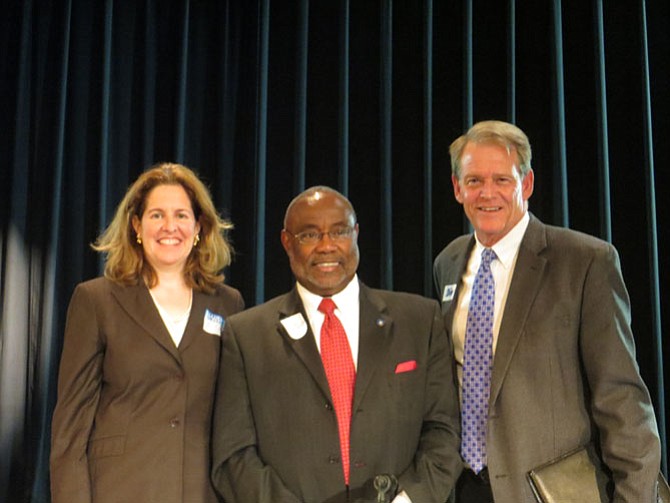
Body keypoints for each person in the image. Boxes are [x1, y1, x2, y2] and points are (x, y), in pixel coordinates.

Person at [433, 120, 661, 502]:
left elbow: (621, 399)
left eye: (502, 180)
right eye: (474, 181)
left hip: (550, 492)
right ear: (458, 189)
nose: (487, 193)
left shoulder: (586, 261)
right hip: (467, 488)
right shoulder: (448, 262)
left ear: (527, 184)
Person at [211, 186, 462, 503]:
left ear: (356, 234)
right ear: (287, 243)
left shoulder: (420, 320)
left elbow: (444, 431)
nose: (327, 246)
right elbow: (233, 455)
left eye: (339, 232)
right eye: (309, 235)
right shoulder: (246, 335)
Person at [50, 162, 244, 503]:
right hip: (121, 487)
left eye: (182, 215)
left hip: (202, 492)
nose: (170, 226)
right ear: (136, 225)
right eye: (157, 215)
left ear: (199, 226)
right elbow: (71, 426)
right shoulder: (96, 300)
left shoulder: (229, 304)